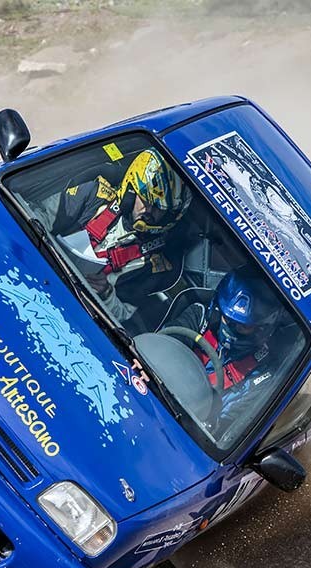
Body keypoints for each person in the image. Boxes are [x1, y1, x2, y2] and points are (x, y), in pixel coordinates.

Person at [52, 149, 192, 324]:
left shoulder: (152, 264)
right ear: (131, 190)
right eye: (146, 200)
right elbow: (40, 216)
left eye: (159, 209)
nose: (148, 211)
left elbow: (124, 316)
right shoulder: (95, 193)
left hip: (77, 311)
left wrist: (106, 293)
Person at [165, 265, 288, 430]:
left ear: (261, 329)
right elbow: (163, 348)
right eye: (227, 319)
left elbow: (226, 425)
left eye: (242, 326)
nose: (230, 328)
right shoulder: (199, 317)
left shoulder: (263, 373)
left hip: (184, 427)